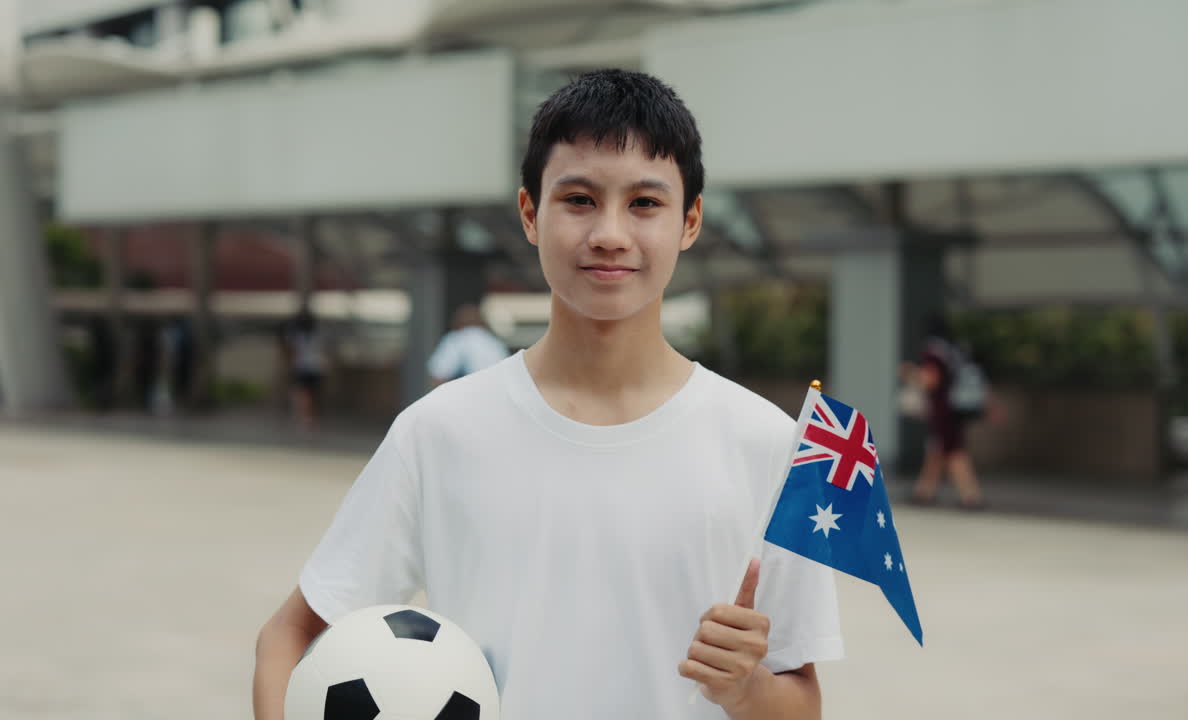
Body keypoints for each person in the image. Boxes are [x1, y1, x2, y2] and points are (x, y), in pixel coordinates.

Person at [253, 70, 843, 720]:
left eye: (645, 203)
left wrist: (746, 688)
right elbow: (289, 635)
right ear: (531, 214)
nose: (610, 233)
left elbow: (802, 702)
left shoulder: (773, 445)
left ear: (691, 221)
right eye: (580, 200)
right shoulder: (440, 430)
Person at [902, 314, 986, 509]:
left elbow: (931, 380)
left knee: (953, 451)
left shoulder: (934, 350)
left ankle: (971, 496)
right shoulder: (954, 349)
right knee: (936, 450)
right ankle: (924, 491)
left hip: (943, 409)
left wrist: (910, 374)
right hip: (955, 407)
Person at [426, 303, 510, 388]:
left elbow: (439, 374)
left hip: (470, 395)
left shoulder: (458, 338)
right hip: (496, 393)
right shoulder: (495, 342)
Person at [280, 307, 327, 428]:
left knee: (303, 393)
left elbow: (291, 351)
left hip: (303, 367)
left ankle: (305, 417)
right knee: (311, 394)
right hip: (315, 367)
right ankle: (308, 417)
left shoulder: (297, 335)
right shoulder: (318, 333)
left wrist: (289, 364)